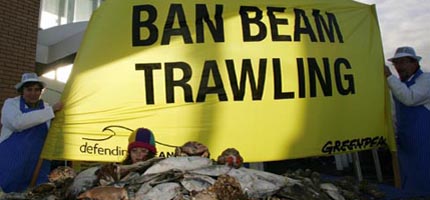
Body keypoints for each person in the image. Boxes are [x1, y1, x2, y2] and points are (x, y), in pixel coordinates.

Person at [0, 72, 63, 193]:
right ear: (22, 91)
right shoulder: (11, 104)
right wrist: (51, 111)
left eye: (37, 90)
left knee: (36, 193)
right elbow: (17, 123)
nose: (33, 93)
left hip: (37, 163)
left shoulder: (46, 107)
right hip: (11, 162)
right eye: (29, 90)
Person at [384, 46, 430, 195]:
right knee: (408, 183)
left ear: (414, 63)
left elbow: (410, 98)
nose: (399, 67)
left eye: (403, 62)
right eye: (397, 63)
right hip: (406, 145)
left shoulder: (426, 80)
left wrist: (389, 77)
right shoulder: (398, 85)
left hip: (424, 145)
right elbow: (394, 114)